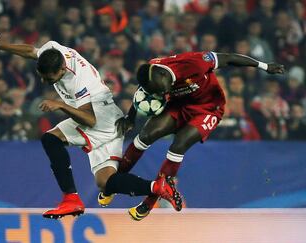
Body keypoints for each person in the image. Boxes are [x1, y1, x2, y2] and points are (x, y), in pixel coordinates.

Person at [0, 26, 182, 219]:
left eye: (49, 79)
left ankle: (71, 198)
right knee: (106, 182)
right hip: (110, 118)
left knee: (51, 139)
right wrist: (1, 45)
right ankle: (158, 187)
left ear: (62, 69)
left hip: (100, 118)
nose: (44, 82)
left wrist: (61, 105)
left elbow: (89, 119)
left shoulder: (78, 80)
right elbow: (31, 51)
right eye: (41, 77)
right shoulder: (53, 50)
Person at [112, 51, 284, 220]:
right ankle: (113, 184)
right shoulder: (152, 72)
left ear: (163, 74)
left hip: (208, 109)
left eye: (160, 90)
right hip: (179, 106)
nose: (161, 93)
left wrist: (265, 66)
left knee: (179, 145)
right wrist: (130, 118)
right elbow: (141, 93)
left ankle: (148, 204)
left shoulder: (195, 62)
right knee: (146, 135)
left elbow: (229, 58)